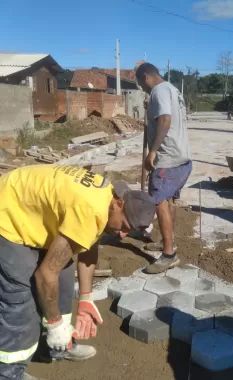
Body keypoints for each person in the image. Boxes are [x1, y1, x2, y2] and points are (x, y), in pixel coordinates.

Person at [0, 164, 155, 379]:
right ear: (119, 204)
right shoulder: (90, 210)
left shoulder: (106, 201)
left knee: (63, 275)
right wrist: (55, 324)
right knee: (20, 297)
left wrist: (85, 298)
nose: (122, 235)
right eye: (125, 226)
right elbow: (44, 275)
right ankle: (9, 373)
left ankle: (58, 346)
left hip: (31, 209)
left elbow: (89, 246)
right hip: (6, 215)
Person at [135, 63, 192, 274]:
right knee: (169, 201)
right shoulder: (172, 89)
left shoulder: (158, 91)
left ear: (146, 77)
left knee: (159, 202)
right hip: (183, 158)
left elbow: (165, 120)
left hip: (167, 160)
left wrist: (153, 151)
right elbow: (165, 115)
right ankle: (169, 242)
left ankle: (169, 255)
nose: (143, 88)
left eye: (142, 84)